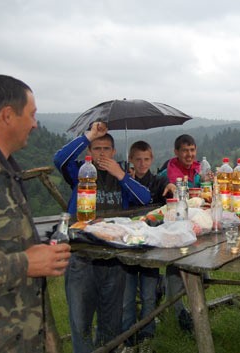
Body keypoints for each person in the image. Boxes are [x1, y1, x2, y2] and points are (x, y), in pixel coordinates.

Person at [0, 74, 71, 352]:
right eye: (31, 114)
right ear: (8, 115)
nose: (35, 123)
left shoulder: (6, 171)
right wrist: (24, 264)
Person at [54, 122, 151, 353]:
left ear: (114, 152)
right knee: (81, 322)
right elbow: (59, 160)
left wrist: (120, 175)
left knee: (111, 322)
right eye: (96, 149)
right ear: (89, 152)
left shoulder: (121, 177)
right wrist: (89, 136)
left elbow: (145, 199)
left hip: (114, 257)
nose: (102, 153)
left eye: (106, 149)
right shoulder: (80, 172)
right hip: (82, 256)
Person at [122, 141, 174, 353]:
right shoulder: (125, 181)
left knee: (148, 294)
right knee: (126, 297)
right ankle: (127, 339)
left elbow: (168, 187)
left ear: (151, 160)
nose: (142, 164)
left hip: (151, 244)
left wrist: (170, 187)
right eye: (138, 160)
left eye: (146, 159)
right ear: (131, 161)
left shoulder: (157, 181)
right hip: (127, 244)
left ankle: (147, 335)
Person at [157, 134, 204, 332]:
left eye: (192, 150)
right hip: (170, 225)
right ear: (176, 152)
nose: (189, 154)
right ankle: (179, 312)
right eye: (185, 150)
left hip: (190, 222)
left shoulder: (197, 168)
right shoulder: (171, 171)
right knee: (177, 266)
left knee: (193, 263)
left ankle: (186, 299)